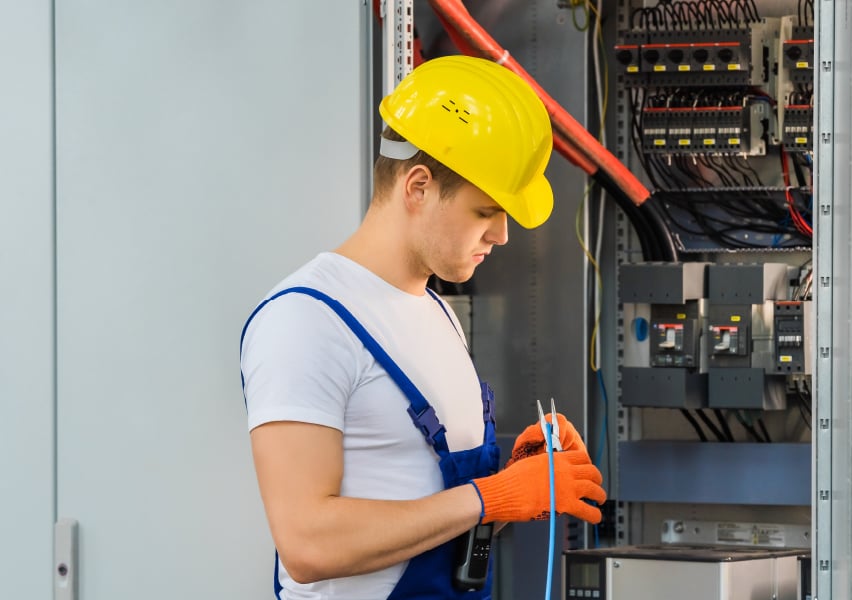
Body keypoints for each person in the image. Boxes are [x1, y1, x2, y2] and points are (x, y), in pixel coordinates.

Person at [239, 54, 606, 600]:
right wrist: (491, 497)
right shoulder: (306, 321)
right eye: (486, 212)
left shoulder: (436, 313)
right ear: (418, 187)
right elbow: (308, 544)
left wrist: (519, 487)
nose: (502, 235)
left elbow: (434, 524)